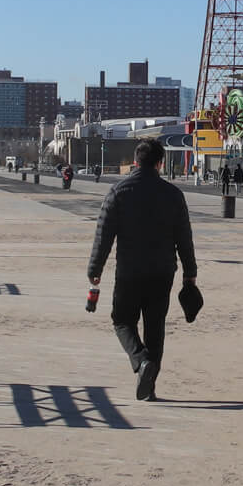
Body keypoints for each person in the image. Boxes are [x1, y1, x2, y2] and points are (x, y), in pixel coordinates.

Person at [86, 139, 198, 400]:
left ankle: (141, 361)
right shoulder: (173, 194)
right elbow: (184, 236)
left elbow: (104, 234)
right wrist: (190, 272)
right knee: (155, 326)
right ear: (160, 163)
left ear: (135, 161)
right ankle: (150, 386)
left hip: (129, 270)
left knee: (122, 320)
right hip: (163, 272)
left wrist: (95, 268)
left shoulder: (119, 191)